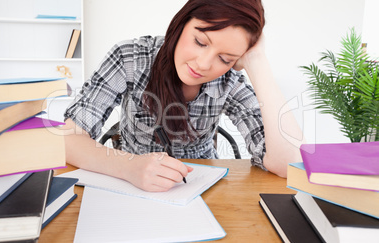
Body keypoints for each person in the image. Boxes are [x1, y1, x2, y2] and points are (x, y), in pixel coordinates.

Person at [61, 0, 305, 192]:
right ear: (181, 23)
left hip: (202, 189)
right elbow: (68, 139)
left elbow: (289, 164)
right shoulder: (131, 58)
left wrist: (257, 61)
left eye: (225, 58)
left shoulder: (229, 81)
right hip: (131, 185)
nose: (203, 64)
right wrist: (129, 166)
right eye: (200, 41)